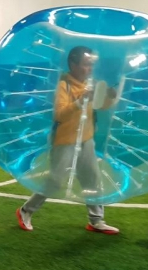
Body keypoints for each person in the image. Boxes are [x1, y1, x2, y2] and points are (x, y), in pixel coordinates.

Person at [16, 46, 120, 235]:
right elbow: (60, 114)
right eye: (85, 65)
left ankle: (96, 220)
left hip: (86, 139)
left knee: (92, 178)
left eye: (91, 66)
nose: (88, 69)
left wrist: (110, 97)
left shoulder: (91, 83)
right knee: (55, 180)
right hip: (65, 140)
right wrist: (81, 100)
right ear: (72, 64)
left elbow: (101, 106)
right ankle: (25, 211)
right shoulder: (64, 84)